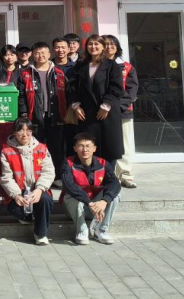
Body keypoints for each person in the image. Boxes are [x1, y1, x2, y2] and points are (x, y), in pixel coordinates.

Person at [67, 34, 125, 174]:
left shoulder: (112, 65)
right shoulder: (80, 65)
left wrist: (106, 105)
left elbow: (116, 88)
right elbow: (72, 87)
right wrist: (76, 106)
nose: (93, 47)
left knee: (109, 147)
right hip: (87, 113)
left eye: (96, 44)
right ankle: (92, 178)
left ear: (103, 47)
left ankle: (109, 178)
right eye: (90, 44)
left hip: (108, 113)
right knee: (88, 147)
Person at [0, 117, 55, 245]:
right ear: (14, 132)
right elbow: (6, 177)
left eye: (28, 130)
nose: (25, 134)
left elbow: (48, 172)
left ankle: (40, 234)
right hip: (19, 190)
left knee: (45, 200)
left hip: (36, 189)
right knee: (16, 208)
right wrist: (16, 195)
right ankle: (26, 216)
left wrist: (40, 189)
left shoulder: (41, 148)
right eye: (20, 130)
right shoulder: (6, 151)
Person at [17, 42, 69, 172]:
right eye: (37, 53)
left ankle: (57, 175)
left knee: (56, 147)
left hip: (56, 116)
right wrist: (24, 114)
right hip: (34, 116)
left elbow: (67, 94)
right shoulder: (26, 74)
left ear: (49, 54)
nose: (40, 56)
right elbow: (21, 96)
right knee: (35, 146)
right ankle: (36, 173)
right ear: (32, 55)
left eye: (43, 53)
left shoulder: (59, 73)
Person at [61, 132, 121, 245]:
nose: (85, 150)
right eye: (81, 146)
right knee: (70, 196)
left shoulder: (103, 163)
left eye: (88, 146)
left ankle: (101, 229)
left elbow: (115, 183)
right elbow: (69, 186)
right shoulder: (67, 163)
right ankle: (82, 230)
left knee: (115, 194)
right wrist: (89, 202)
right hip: (75, 208)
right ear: (75, 148)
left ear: (94, 148)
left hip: (96, 207)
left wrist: (104, 201)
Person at [103, 35, 138, 189]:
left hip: (122, 111)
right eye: (106, 44)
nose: (109, 47)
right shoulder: (96, 66)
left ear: (117, 47)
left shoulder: (126, 67)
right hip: (102, 111)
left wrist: (117, 107)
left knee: (125, 145)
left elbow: (131, 90)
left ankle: (125, 175)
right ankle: (106, 175)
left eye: (112, 44)